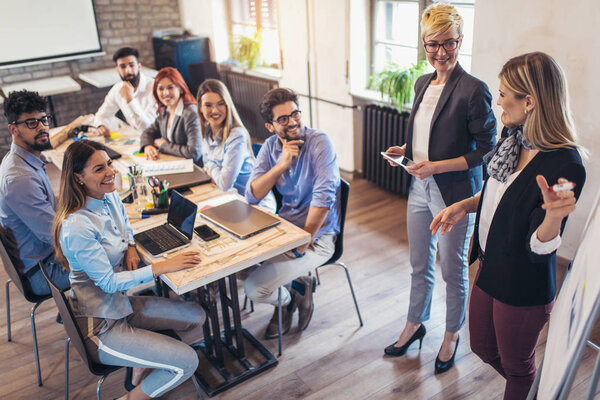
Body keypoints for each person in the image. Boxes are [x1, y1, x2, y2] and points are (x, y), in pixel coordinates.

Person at [431, 52, 586, 400]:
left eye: (503, 94)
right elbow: (496, 192)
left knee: (517, 368)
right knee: (482, 347)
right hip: (490, 265)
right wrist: (463, 206)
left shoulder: (566, 163)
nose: (497, 100)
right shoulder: (513, 135)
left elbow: (540, 246)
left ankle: (528, 388)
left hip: (523, 283)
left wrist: (554, 217)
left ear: (528, 101)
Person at [383, 3, 496, 374]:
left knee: (453, 270)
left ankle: (451, 334)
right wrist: (408, 150)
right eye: (433, 44)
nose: (441, 52)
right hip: (419, 190)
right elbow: (429, 134)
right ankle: (414, 324)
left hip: (456, 195)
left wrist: (435, 166)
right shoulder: (421, 83)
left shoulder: (473, 89)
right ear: (424, 44)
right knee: (419, 265)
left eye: (449, 43)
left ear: (460, 40)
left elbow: (486, 150)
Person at [52, 139, 206, 400]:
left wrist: (131, 245)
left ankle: (140, 363)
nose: (110, 172)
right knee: (188, 362)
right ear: (78, 177)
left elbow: (123, 221)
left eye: (109, 164)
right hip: (102, 324)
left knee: (197, 315)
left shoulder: (108, 194)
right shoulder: (77, 227)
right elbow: (109, 283)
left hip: (121, 306)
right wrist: (160, 268)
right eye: (99, 169)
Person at [244, 88, 341, 339]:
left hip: (317, 237)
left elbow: (324, 197)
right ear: (270, 125)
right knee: (239, 266)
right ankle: (295, 291)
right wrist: (282, 164)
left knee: (254, 288)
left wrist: (303, 241)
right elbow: (253, 194)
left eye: (295, 114)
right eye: (283, 119)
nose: (293, 122)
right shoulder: (270, 147)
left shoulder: (320, 142)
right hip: (284, 231)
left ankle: (287, 301)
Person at [0, 90, 70, 295]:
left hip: (44, 258)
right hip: (43, 272)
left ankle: (85, 308)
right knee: (115, 255)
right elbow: (58, 237)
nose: (42, 127)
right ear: (13, 129)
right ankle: (89, 317)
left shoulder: (24, 161)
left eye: (44, 120)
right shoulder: (20, 178)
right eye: (31, 123)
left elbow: (51, 204)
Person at [196, 79, 276, 211]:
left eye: (220, 104)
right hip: (230, 200)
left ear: (228, 105)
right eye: (208, 105)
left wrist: (211, 166)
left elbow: (224, 183)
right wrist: (212, 170)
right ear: (200, 107)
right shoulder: (206, 130)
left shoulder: (236, 135)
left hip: (257, 205)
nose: (214, 110)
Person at [140, 67, 202, 165]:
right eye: (161, 88)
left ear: (180, 89)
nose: (165, 93)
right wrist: (147, 146)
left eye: (170, 87)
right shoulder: (165, 109)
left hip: (194, 169)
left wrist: (164, 145)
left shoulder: (191, 113)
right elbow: (148, 132)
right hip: (174, 164)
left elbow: (194, 153)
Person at [93, 47, 156, 138]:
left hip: (155, 139)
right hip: (135, 138)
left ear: (139, 66)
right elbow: (102, 115)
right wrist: (101, 126)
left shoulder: (154, 87)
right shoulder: (117, 89)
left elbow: (147, 128)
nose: (128, 71)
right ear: (117, 69)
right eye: (122, 66)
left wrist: (130, 100)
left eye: (131, 65)